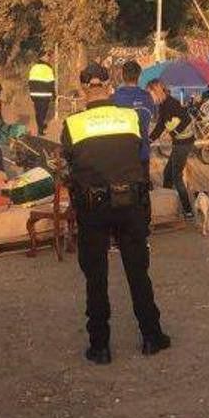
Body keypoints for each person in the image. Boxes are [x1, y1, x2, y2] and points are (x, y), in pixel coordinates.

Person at [61, 62, 170, 364]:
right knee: (138, 272)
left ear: (84, 88)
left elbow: (68, 163)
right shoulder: (130, 117)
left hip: (93, 208)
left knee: (96, 277)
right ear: (109, 85)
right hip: (130, 204)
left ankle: (100, 347)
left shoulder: (73, 124)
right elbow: (139, 153)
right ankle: (152, 336)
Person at [146, 79, 195, 221]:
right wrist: (149, 140)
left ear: (157, 91)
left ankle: (188, 211)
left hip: (184, 143)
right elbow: (160, 125)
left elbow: (186, 119)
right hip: (179, 143)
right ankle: (167, 202)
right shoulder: (163, 105)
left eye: (151, 94)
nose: (150, 98)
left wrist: (174, 132)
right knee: (167, 173)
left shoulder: (171, 103)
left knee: (176, 176)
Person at [111, 60, 156, 164]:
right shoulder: (148, 97)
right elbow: (152, 117)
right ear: (139, 76)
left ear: (122, 76)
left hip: (121, 154)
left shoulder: (113, 98)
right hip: (143, 152)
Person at [28, 55, 56, 136]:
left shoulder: (34, 67)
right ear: (43, 58)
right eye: (47, 57)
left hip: (35, 94)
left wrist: (31, 93)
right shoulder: (48, 68)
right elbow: (51, 82)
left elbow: (30, 81)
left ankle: (40, 126)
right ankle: (40, 128)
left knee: (38, 111)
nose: (49, 58)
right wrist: (54, 94)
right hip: (45, 94)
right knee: (43, 111)